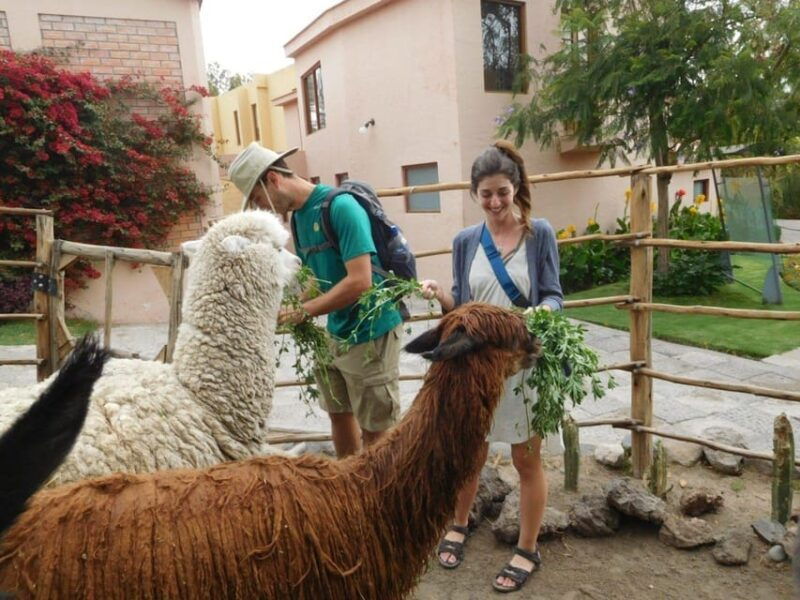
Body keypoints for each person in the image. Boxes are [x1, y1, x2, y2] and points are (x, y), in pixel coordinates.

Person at [420, 140, 563, 594]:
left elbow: (554, 294)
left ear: (515, 187)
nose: (496, 202)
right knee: (471, 452)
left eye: (503, 192)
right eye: (486, 194)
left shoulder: (539, 234)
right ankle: (459, 524)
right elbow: (462, 304)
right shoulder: (465, 241)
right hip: (476, 372)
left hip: (522, 365)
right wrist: (440, 295)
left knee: (526, 458)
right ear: (475, 194)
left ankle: (527, 547)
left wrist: (542, 315)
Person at [228, 142, 403, 458]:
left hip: (370, 331)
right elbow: (315, 278)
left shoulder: (341, 208)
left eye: (257, 199)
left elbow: (360, 280)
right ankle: (345, 488)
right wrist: (287, 305)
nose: (262, 209)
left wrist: (304, 311)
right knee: (339, 414)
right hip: (335, 332)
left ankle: (379, 499)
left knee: (375, 428)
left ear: (273, 180)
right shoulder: (297, 218)